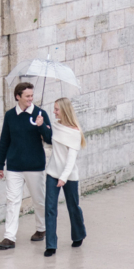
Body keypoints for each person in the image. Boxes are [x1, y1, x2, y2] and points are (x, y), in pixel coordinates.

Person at [0, 81, 51, 249]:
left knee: (39, 200)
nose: (30, 99)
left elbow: (49, 139)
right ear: (18, 97)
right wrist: (0, 164)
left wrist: (42, 126)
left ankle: (41, 229)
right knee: (12, 201)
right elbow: (4, 140)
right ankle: (9, 237)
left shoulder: (41, 114)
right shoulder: (10, 116)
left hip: (35, 165)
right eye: (27, 96)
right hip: (14, 166)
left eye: (32, 96)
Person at [42, 98, 87, 256]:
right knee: (50, 209)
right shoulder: (55, 126)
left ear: (64, 110)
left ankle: (78, 234)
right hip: (52, 173)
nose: (53, 112)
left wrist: (64, 177)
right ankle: (51, 245)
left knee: (73, 206)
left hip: (69, 176)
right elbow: (50, 144)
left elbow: (71, 159)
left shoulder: (75, 132)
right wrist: (41, 127)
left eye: (56, 109)